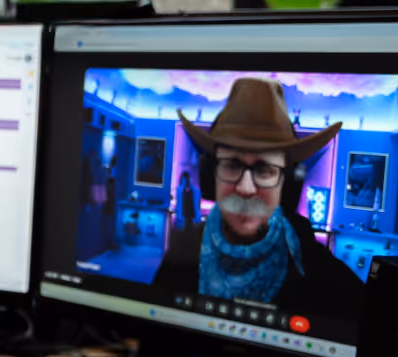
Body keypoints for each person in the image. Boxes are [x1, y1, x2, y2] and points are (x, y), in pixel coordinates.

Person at [155, 78, 362, 309]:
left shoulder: (328, 281)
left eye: (264, 169)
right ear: (209, 176)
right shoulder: (182, 255)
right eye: (232, 165)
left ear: (289, 185)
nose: (245, 188)